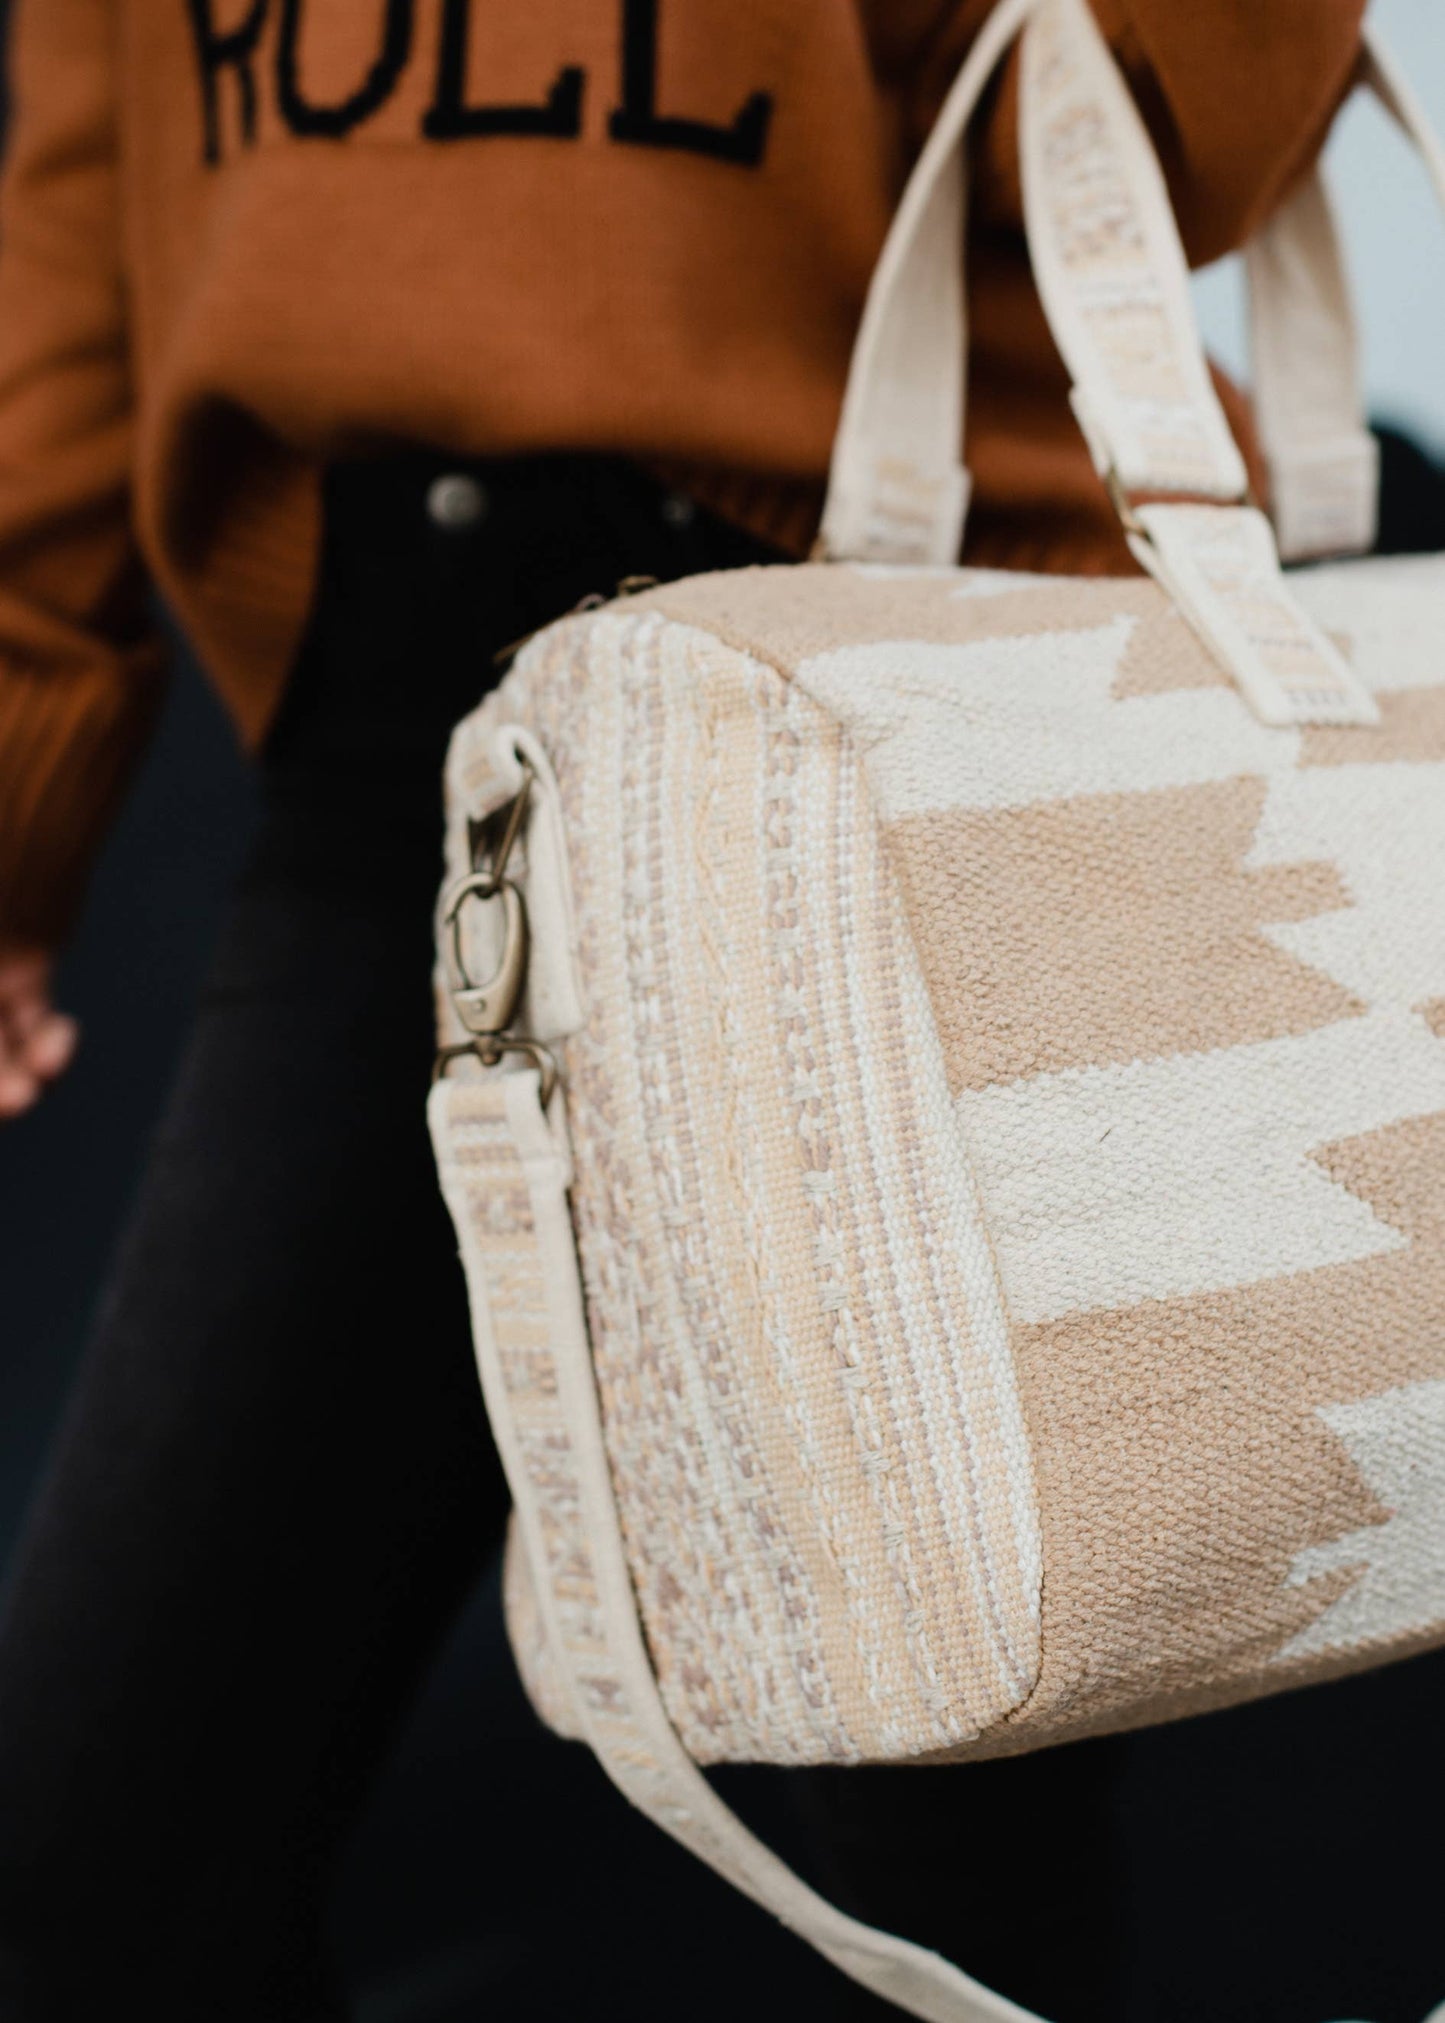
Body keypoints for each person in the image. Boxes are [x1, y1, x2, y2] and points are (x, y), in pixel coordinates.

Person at [0, 4, 1376, 2018]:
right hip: (392, 742)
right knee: (100, 1858)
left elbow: (1169, 125)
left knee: (935, 1848)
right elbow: (76, 234)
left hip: (874, 686)